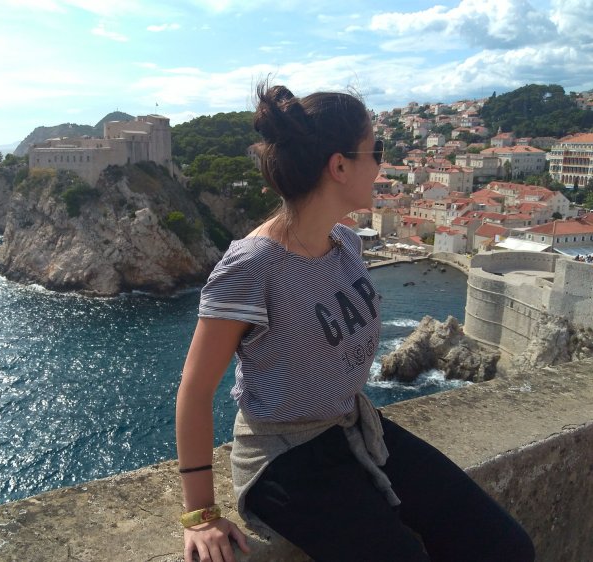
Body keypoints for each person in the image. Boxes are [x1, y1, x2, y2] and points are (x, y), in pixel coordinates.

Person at [175, 84, 535, 562]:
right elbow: (195, 390)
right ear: (339, 166)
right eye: (375, 150)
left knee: (504, 546)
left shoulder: (346, 244)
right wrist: (201, 515)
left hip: (354, 428)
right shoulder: (253, 266)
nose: (382, 164)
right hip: (284, 456)